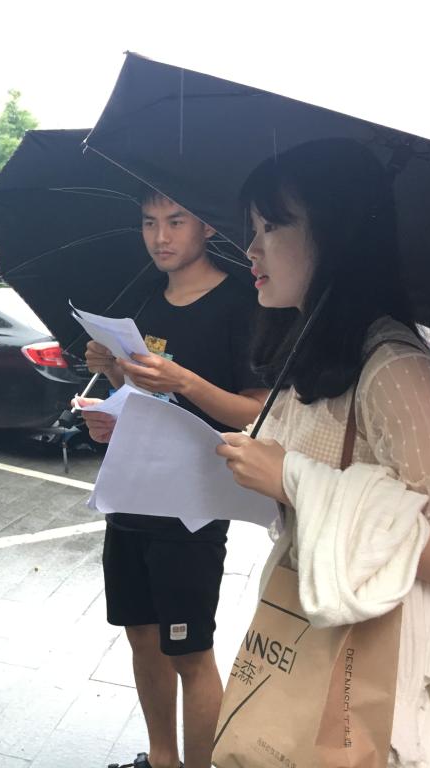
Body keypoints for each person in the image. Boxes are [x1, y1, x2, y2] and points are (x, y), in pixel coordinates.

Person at [218, 138, 430, 766]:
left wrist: (297, 480)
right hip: (313, 636)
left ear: (336, 234)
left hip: (381, 678)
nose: (251, 248)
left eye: (272, 226)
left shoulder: (395, 370)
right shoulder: (312, 349)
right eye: (252, 228)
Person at [79, 191, 267, 768]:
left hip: (193, 503)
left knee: (189, 650)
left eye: (176, 221)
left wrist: (184, 380)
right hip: (130, 492)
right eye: (149, 223)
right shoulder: (143, 302)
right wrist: (110, 395)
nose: (161, 237)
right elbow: (142, 401)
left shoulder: (243, 305)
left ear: (206, 226)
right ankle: (163, 757)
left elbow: (255, 411)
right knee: (141, 634)